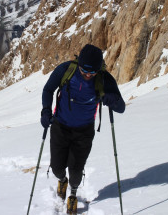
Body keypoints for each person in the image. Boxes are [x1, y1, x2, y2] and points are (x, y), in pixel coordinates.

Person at [40, 44, 125, 213]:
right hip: (60, 126)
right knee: (57, 167)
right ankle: (62, 180)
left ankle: (72, 193)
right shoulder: (66, 70)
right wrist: (46, 110)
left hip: (84, 132)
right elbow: (48, 89)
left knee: (76, 169)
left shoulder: (104, 79)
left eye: (92, 72)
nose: (87, 75)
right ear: (78, 64)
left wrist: (112, 99)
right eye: (84, 71)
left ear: (98, 69)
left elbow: (121, 107)